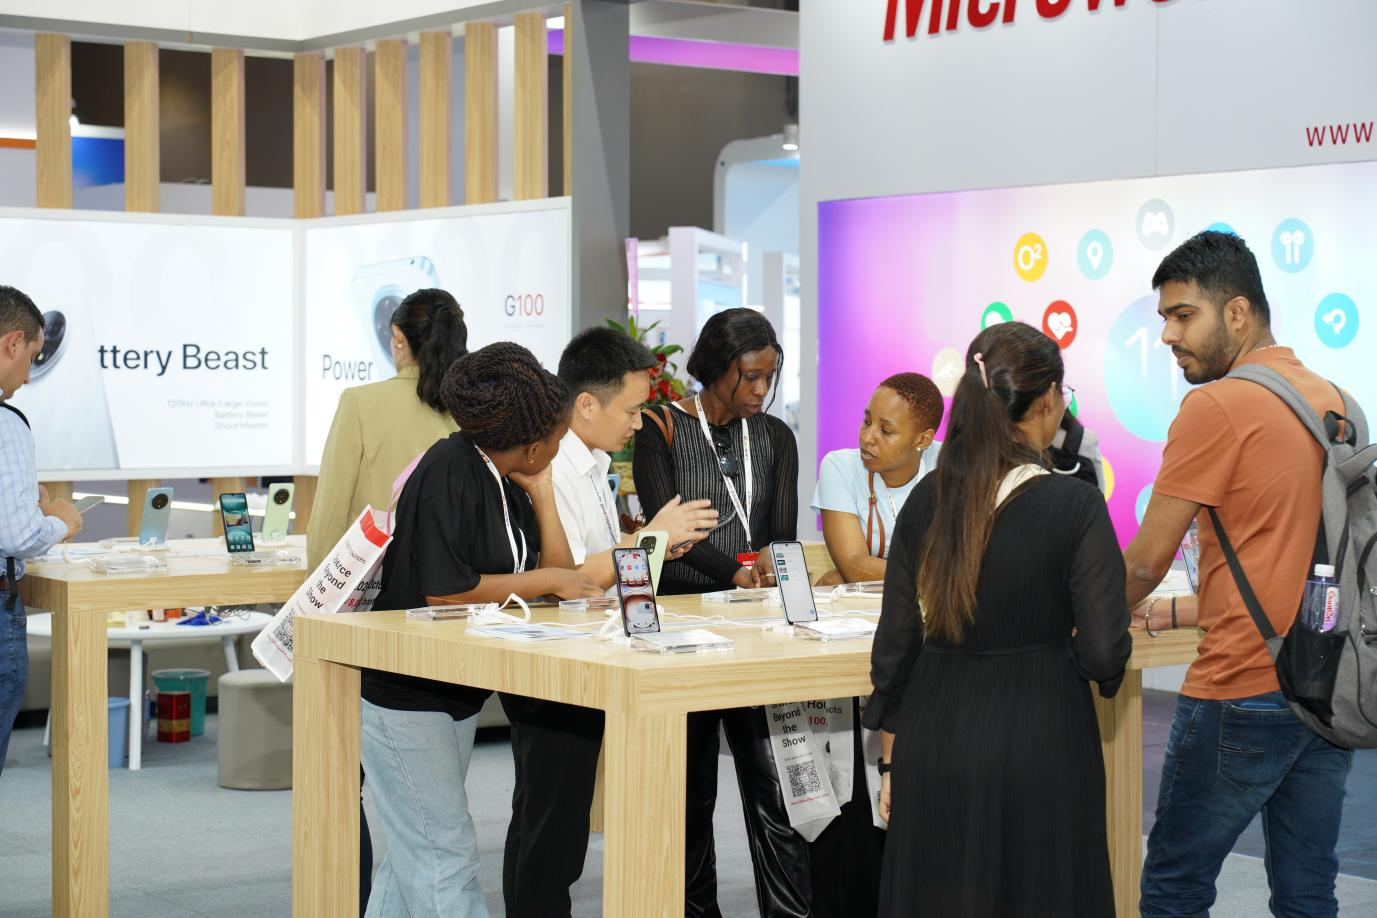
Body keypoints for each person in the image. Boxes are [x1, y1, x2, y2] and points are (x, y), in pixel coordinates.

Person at [864, 321, 1131, 917]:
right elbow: (1104, 652)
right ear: (1048, 401)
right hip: (1041, 739)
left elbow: (896, 646)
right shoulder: (1076, 505)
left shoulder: (926, 499)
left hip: (933, 736)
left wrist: (892, 760)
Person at [1123, 231, 1352, 918]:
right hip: (1325, 685)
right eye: (1164, 317)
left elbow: (1144, 562)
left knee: (1174, 888)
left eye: (1182, 315)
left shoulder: (1215, 406)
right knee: (1308, 894)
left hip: (1239, 688)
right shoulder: (1338, 402)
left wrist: (1070, 613)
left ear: (1237, 312)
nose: (1168, 335)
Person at [358, 343, 601, 918]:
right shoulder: (451, 467)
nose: (562, 445)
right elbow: (446, 589)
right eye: (558, 436)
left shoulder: (506, 475)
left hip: (454, 689)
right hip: (407, 694)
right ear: (532, 442)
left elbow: (555, 574)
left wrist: (542, 490)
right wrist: (550, 578)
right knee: (444, 855)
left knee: (413, 856)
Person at [632, 308, 808, 918]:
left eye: (769, 376)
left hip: (758, 626)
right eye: (749, 376)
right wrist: (733, 571)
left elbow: (781, 534)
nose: (761, 389)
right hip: (681, 626)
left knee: (775, 789)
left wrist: (768, 570)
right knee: (689, 794)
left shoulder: (776, 437)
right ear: (713, 368)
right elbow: (668, 530)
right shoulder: (660, 427)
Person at [306, 287, 468, 913]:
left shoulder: (361, 403)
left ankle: (343, 901)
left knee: (346, 778)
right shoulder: (468, 413)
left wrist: (312, 610)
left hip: (363, 619)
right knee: (429, 799)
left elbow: (329, 524)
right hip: (450, 618)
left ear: (398, 339)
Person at [307, 287, 468, 571]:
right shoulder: (472, 408)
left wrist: (317, 586)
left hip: (377, 580)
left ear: (398, 336)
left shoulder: (359, 402)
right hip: (458, 580)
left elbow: (330, 514)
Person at [551, 326, 719, 588]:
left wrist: (657, 545)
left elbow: (600, 547)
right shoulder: (555, 470)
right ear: (586, 405)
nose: (639, 423)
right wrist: (651, 537)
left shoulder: (594, 459)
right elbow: (568, 581)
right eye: (632, 411)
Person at [0, 286, 82, 776]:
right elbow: (19, 538)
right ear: (12, 342)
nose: (29, 376)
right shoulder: (7, 424)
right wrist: (60, 522)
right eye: (30, 357)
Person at [811, 372, 944, 585]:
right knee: (833, 581)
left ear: (923, 439)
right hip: (874, 601)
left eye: (886, 430)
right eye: (867, 421)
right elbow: (853, 566)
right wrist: (936, 576)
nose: (867, 438)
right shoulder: (840, 467)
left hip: (930, 602)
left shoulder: (950, 466)